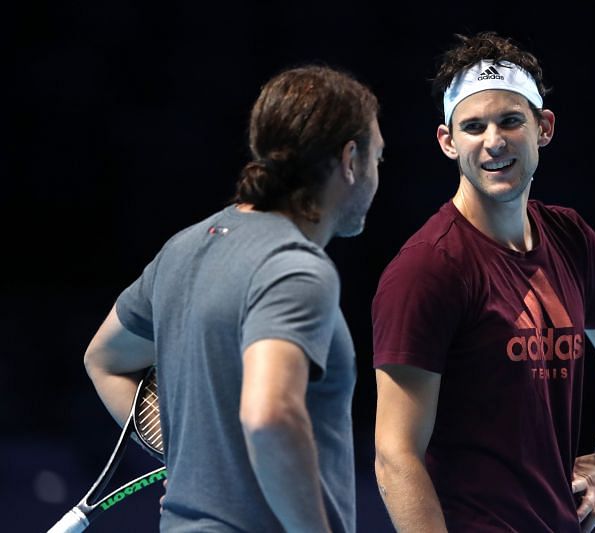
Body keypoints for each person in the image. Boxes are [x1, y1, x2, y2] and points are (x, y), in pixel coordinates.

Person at [83, 64, 384, 532]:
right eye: (377, 159)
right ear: (350, 160)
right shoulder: (296, 268)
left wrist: (190, 459)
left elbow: (103, 359)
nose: (375, 176)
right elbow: (269, 416)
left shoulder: (183, 249)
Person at [372, 31, 595, 533]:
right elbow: (395, 456)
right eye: (473, 126)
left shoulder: (572, 239)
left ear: (544, 127)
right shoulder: (426, 269)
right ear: (447, 141)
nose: (493, 141)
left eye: (510, 121)